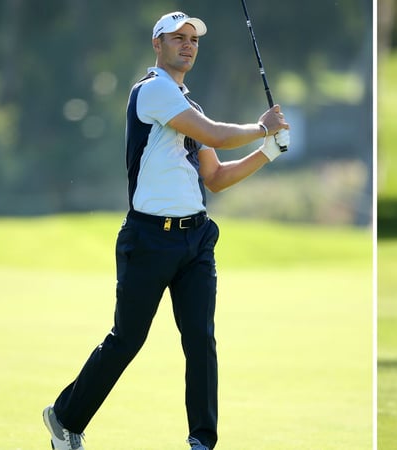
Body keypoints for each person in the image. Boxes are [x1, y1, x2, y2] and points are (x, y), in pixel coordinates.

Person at [42, 11, 290, 450]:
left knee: (200, 340)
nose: (188, 44)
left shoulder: (188, 106)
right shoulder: (152, 91)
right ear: (157, 45)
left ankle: (202, 441)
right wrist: (261, 128)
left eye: (193, 38)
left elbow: (214, 177)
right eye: (178, 37)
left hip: (196, 240)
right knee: (127, 339)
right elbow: (216, 132)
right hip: (149, 239)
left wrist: (267, 152)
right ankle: (64, 417)